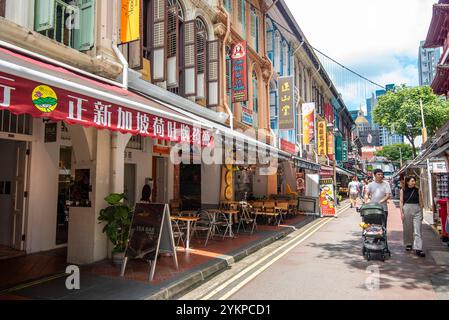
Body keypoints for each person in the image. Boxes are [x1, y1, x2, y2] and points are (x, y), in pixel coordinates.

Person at [400, 176, 425, 258]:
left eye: (414, 181)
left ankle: (418, 248)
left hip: (417, 209)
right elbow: (401, 202)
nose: (414, 182)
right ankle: (409, 243)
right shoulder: (402, 190)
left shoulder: (418, 190)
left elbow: (421, 202)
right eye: (412, 181)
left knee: (418, 229)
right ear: (407, 182)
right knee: (407, 228)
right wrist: (401, 213)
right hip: (406, 208)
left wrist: (422, 213)